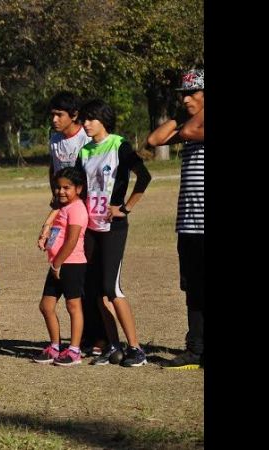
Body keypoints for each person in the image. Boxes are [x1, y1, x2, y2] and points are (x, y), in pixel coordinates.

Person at [77, 99, 152, 367]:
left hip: (113, 228)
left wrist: (126, 208)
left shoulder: (120, 145)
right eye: (83, 119)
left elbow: (144, 177)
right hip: (90, 227)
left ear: (103, 120)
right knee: (97, 289)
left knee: (112, 287)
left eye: (90, 119)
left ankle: (136, 349)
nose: (85, 124)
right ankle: (113, 346)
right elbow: (78, 188)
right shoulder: (84, 151)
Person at [147, 69, 204, 369]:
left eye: (192, 93)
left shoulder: (194, 127)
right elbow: (155, 138)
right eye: (183, 94)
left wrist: (191, 117)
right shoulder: (187, 120)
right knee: (193, 288)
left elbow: (189, 133)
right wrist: (183, 113)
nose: (186, 99)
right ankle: (195, 350)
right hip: (188, 224)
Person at [45, 91, 106, 357]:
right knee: (73, 284)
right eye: (52, 115)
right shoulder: (54, 140)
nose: (55, 120)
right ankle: (77, 340)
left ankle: (99, 337)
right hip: (66, 211)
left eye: (60, 115)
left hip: (88, 215)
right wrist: (53, 210)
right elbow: (53, 171)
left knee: (90, 280)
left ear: (75, 116)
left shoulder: (85, 139)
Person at [33, 167, 88, 366]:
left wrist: (58, 264)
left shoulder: (78, 209)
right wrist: (45, 239)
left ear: (79, 189)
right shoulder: (63, 208)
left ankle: (74, 350)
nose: (61, 191)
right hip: (57, 265)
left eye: (67, 187)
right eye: (58, 187)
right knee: (46, 306)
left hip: (71, 264)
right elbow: (58, 233)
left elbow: (72, 241)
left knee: (73, 306)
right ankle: (55, 346)